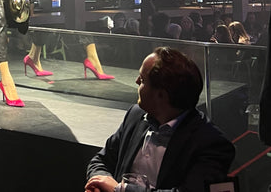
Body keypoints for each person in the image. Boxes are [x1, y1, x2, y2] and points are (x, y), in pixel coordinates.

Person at [85, 47, 235, 192]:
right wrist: (98, 184)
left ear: (161, 95)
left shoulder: (212, 145)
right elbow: (101, 161)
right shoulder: (135, 116)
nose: (136, 81)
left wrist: (120, 189)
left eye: (142, 80)